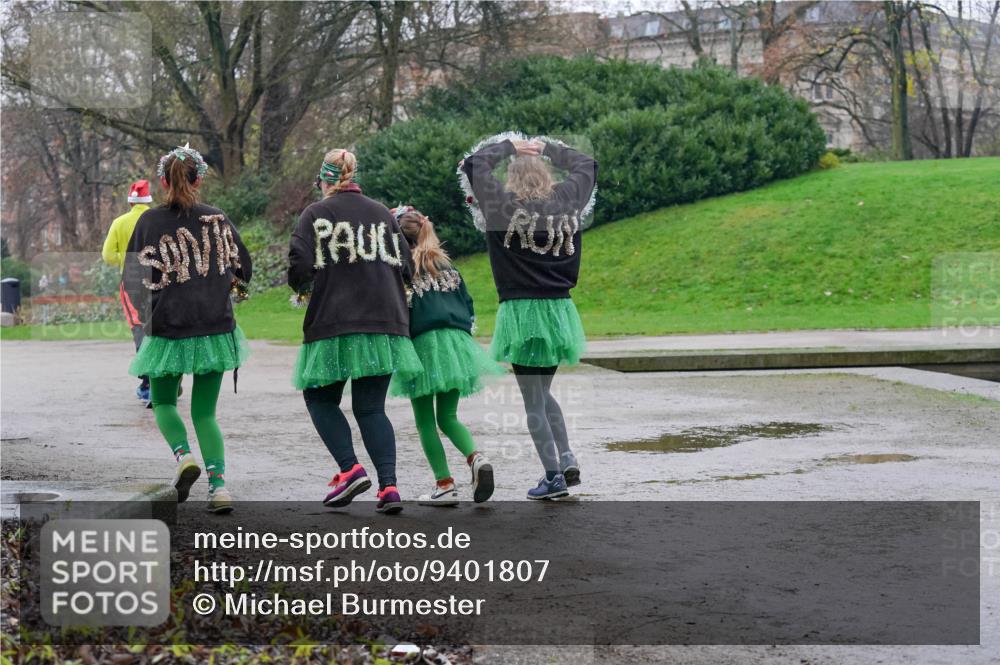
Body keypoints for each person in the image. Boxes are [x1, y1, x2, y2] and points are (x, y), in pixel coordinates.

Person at [459, 134, 597, 500]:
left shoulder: (501, 205)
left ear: (512, 179)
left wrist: (508, 147)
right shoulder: (567, 200)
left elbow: (473, 164)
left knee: (532, 398)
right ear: (546, 176)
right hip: (559, 310)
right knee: (542, 391)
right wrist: (548, 149)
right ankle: (566, 459)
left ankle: (553, 477)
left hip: (522, 310)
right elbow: (587, 165)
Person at [288, 149, 421, 515]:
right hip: (383, 322)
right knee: (371, 408)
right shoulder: (381, 213)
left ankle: (349, 468)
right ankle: (389, 488)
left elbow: (299, 264)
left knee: (319, 399)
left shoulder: (315, 214)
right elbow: (407, 265)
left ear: (326, 180)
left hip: (334, 319)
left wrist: (304, 288)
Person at [123, 144, 252, 514]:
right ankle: (219, 487)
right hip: (215, 326)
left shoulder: (148, 222)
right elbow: (244, 267)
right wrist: (228, 286)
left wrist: (148, 313)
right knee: (206, 413)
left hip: (168, 327)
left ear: (163, 181)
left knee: (163, 402)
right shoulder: (217, 218)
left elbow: (133, 278)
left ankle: (183, 457)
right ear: (199, 179)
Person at [388, 205, 503, 506]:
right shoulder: (448, 266)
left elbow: (397, 310)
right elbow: (467, 304)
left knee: (425, 420)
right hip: (456, 345)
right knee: (449, 416)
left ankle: (445, 484)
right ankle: (476, 458)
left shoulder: (401, 269)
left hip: (423, 346)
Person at [103, 180, 154, 404]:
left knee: (139, 329)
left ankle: (148, 384)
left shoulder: (119, 222)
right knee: (160, 327)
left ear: (130, 200)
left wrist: (124, 259)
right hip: (159, 279)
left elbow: (107, 255)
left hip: (131, 281)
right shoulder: (158, 219)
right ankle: (169, 377)